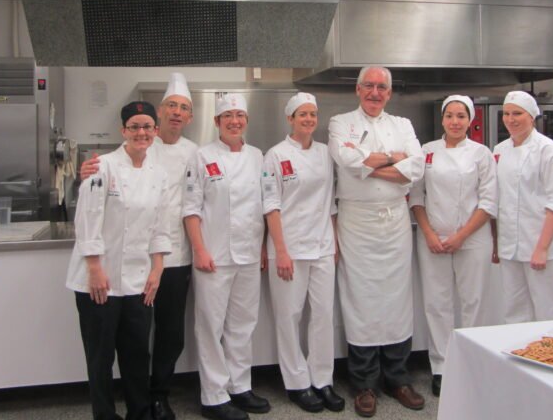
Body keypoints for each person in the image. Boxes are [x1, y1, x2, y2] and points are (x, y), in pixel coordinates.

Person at [81, 73, 198, 420]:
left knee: (163, 336)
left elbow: (182, 208)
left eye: (183, 108)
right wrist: (94, 266)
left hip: (168, 256)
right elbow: (90, 212)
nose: (142, 133)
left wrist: (162, 264)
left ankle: (154, 400)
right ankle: (117, 409)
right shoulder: (114, 160)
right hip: (125, 265)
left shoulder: (194, 153)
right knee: (116, 347)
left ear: (190, 117)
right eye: (171, 106)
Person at [327, 66, 426, 418]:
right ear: (357, 89)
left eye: (381, 87)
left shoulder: (403, 124)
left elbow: (417, 168)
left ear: (389, 92)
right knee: (361, 299)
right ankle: (364, 383)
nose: (374, 92)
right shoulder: (340, 123)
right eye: (368, 85)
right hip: (357, 222)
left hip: (395, 221)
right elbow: (346, 159)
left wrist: (367, 164)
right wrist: (395, 159)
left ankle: (397, 378)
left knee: (397, 298)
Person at [66, 101, 171, 420]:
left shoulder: (158, 173)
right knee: (100, 358)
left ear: (155, 131)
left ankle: (140, 413)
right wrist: (95, 269)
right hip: (99, 280)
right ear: (123, 130)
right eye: (134, 127)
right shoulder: (102, 167)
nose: (141, 133)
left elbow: (161, 225)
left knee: (137, 354)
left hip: (139, 281)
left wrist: (157, 268)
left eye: (147, 126)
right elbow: (88, 219)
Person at [183, 93, 270, 420]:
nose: (235, 121)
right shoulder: (202, 156)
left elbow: (264, 205)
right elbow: (191, 209)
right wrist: (200, 250)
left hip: (249, 254)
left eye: (240, 116)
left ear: (246, 120)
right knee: (210, 326)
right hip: (214, 256)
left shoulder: (257, 156)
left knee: (243, 324)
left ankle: (240, 386)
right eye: (228, 116)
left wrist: (263, 247)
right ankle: (214, 396)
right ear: (217, 122)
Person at [262, 92, 345, 413]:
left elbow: (331, 201)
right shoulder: (275, 155)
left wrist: (334, 241)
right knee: (289, 316)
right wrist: (281, 251)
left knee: (323, 315)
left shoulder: (326, 153)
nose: (309, 119)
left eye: (313, 114)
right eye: (302, 114)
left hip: (322, 246)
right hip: (289, 248)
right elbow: (271, 205)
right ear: (290, 119)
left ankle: (322, 380)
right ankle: (297, 383)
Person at [409, 95, 497, 398]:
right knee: (437, 303)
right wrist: (429, 233)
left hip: (473, 239)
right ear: (442, 119)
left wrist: (461, 236)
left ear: (470, 120)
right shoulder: (426, 151)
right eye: (450, 116)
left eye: (461, 116)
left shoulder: (482, 154)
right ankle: (441, 367)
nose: (455, 122)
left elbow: (489, 202)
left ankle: (472, 363)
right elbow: (416, 196)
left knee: (473, 302)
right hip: (432, 239)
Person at [493, 90, 553, 324]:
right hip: (510, 246)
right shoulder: (499, 151)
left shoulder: (550, 152)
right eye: (506, 113)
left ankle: (551, 349)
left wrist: (542, 248)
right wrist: (497, 244)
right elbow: (498, 199)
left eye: (517, 113)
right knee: (513, 311)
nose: (510, 119)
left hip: (541, 243)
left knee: (548, 311)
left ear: (532, 116)